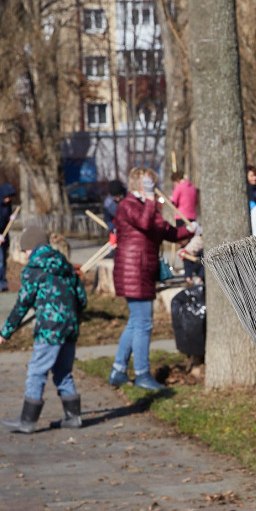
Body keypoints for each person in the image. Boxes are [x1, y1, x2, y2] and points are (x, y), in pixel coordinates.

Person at [110, 166, 193, 391]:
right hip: (133, 271)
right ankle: (142, 374)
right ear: (139, 185)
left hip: (142, 270)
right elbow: (145, 223)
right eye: (149, 184)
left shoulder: (145, 206)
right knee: (144, 323)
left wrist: (190, 229)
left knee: (135, 322)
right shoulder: (128, 205)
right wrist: (149, 199)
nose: (154, 188)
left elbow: (167, 231)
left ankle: (118, 370)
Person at [0, 225, 87, 433]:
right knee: (63, 372)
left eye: (26, 250)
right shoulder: (66, 266)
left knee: (37, 371)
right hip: (70, 326)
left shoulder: (34, 270)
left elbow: (22, 303)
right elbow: (81, 298)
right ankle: (73, 417)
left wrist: (7, 331)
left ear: (32, 248)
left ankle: (27, 421)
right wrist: (74, 316)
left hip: (50, 328)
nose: (26, 255)